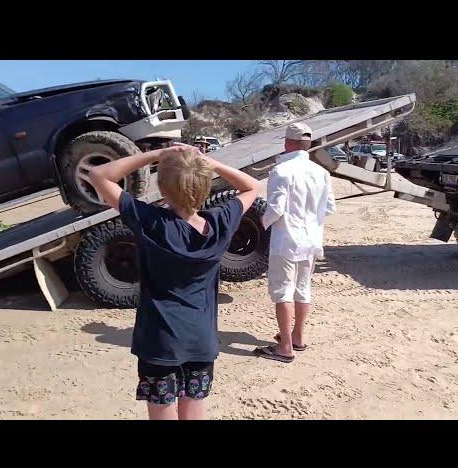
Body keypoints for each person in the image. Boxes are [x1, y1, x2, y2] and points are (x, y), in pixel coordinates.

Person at [88, 143, 260, 420]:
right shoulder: (220, 224)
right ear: (205, 186)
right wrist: (209, 164)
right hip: (201, 340)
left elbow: (98, 175)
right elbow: (251, 187)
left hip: (161, 342)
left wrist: (156, 155)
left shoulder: (152, 222)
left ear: (163, 189)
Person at [255, 123, 336, 363]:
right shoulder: (321, 172)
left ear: (287, 144)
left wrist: (262, 222)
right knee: (303, 289)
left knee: (283, 292)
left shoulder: (282, 170)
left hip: (287, 240)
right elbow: (330, 207)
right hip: (311, 239)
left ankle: (285, 348)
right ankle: (298, 336)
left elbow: (276, 209)